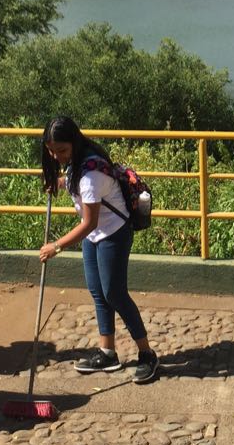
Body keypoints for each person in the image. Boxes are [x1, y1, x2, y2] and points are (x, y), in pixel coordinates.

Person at [37, 116, 159, 384]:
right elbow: (76, 185)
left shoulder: (90, 174)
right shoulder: (77, 162)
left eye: (62, 151)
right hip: (94, 235)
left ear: (74, 143)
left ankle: (147, 354)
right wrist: (58, 183)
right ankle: (107, 352)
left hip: (113, 232)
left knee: (115, 293)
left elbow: (88, 220)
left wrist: (56, 247)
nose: (57, 156)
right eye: (52, 151)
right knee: (98, 292)